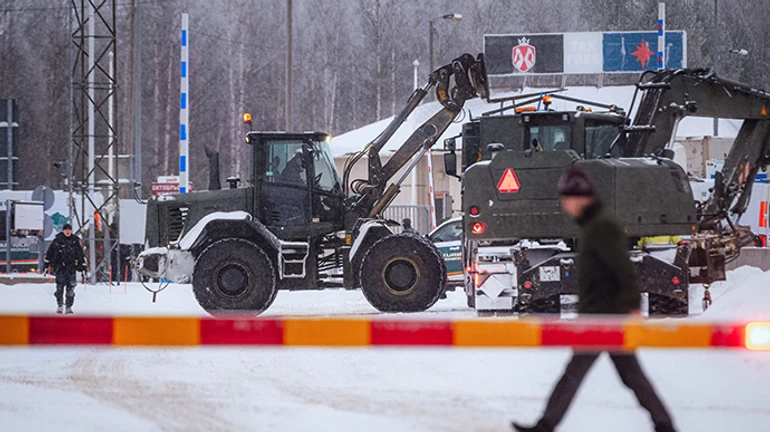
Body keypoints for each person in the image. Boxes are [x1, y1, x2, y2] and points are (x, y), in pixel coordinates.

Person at [512, 167, 676, 432]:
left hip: (605, 316)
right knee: (629, 376)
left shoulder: (602, 226)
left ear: (579, 197)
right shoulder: (595, 224)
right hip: (602, 314)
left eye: (566, 199)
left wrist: (632, 307)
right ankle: (664, 425)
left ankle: (545, 426)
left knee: (576, 373)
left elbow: (623, 268)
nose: (565, 206)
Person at [44, 224, 86, 314]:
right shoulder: (57, 241)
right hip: (60, 268)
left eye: (69, 230)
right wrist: (47, 264)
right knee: (60, 288)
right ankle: (60, 305)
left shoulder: (75, 241)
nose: (68, 232)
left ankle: (68, 306)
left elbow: (80, 254)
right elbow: (50, 253)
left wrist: (82, 266)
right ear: (63, 231)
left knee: (71, 288)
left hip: (71, 268)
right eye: (66, 230)